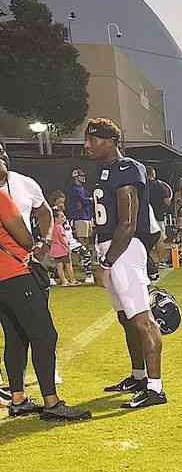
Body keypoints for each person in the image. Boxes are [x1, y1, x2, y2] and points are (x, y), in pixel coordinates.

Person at [82, 118, 167, 409]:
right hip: (111, 246)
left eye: (92, 140)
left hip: (124, 249)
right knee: (124, 317)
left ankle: (155, 389)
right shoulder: (103, 172)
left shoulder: (127, 168)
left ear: (109, 141)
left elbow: (128, 223)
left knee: (143, 320)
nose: (87, 145)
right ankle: (139, 375)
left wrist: (106, 261)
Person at [0, 160, 89, 421]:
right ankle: (52, 402)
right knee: (44, 335)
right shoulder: (2, 198)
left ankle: (18, 399)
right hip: (15, 272)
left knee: (15, 336)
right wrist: (36, 244)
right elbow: (23, 237)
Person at [65, 167, 95, 283]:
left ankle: (85, 259)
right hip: (80, 217)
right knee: (82, 240)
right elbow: (84, 200)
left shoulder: (82, 188)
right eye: (81, 175)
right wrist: (91, 200)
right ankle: (83, 260)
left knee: (87, 239)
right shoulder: (74, 189)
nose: (83, 177)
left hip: (86, 216)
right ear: (75, 178)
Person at [48, 194, 77, 286]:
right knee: (68, 265)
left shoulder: (52, 227)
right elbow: (62, 238)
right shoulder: (60, 227)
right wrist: (67, 246)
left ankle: (64, 281)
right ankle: (72, 280)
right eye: (62, 217)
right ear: (56, 218)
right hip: (62, 249)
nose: (64, 218)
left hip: (55, 250)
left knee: (59, 267)